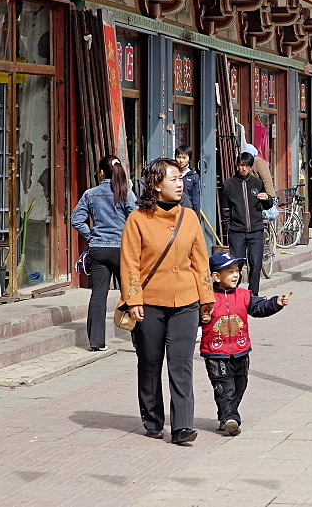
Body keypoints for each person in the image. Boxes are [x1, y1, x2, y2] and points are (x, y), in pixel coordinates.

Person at [120, 158, 214, 444]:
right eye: (172, 179)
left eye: (179, 178)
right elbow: (129, 263)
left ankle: (183, 425)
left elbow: (200, 262)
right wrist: (133, 298)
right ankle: (152, 419)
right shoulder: (138, 220)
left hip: (185, 301)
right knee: (150, 363)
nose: (179, 183)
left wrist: (206, 298)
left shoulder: (190, 217)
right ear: (156, 185)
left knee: (181, 363)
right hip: (149, 303)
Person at [200, 252, 291, 436]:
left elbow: (259, 308)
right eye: (230, 271)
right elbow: (192, 319)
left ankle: (225, 416)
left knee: (239, 385)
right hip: (216, 352)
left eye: (237, 271)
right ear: (216, 276)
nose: (235, 275)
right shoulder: (206, 298)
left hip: (241, 350)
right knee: (225, 388)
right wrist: (201, 316)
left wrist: (276, 303)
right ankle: (232, 419)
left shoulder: (244, 295)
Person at [71, 155, 137, 351]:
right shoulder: (126, 192)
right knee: (130, 294)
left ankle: (96, 342)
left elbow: (76, 220)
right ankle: (138, 341)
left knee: (98, 295)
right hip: (122, 250)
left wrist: (91, 236)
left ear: (101, 173)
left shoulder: (90, 194)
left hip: (98, 249)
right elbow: (136, 219)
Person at [219, 152, 273, 296]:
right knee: (236, 265)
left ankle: (253, 295)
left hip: (256, 231)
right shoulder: (228, 185)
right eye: (242, 165)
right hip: (237, 231)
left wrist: (267, 199)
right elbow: (225, 209)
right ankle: (233, 294)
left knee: (256, 264)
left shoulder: (257, 183)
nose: (244, 169)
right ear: (237, 165)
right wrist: (228, 228)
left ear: (250, 167)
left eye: (247, 166)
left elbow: (267, 205)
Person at [175, 145, 201, 216]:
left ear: (189, 159)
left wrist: (196, 215)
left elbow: (196, 198)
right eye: (178, 157)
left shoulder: (194, 176)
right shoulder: (172, 173)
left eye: (184, 158)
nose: (181, 161)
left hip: (187, 210)